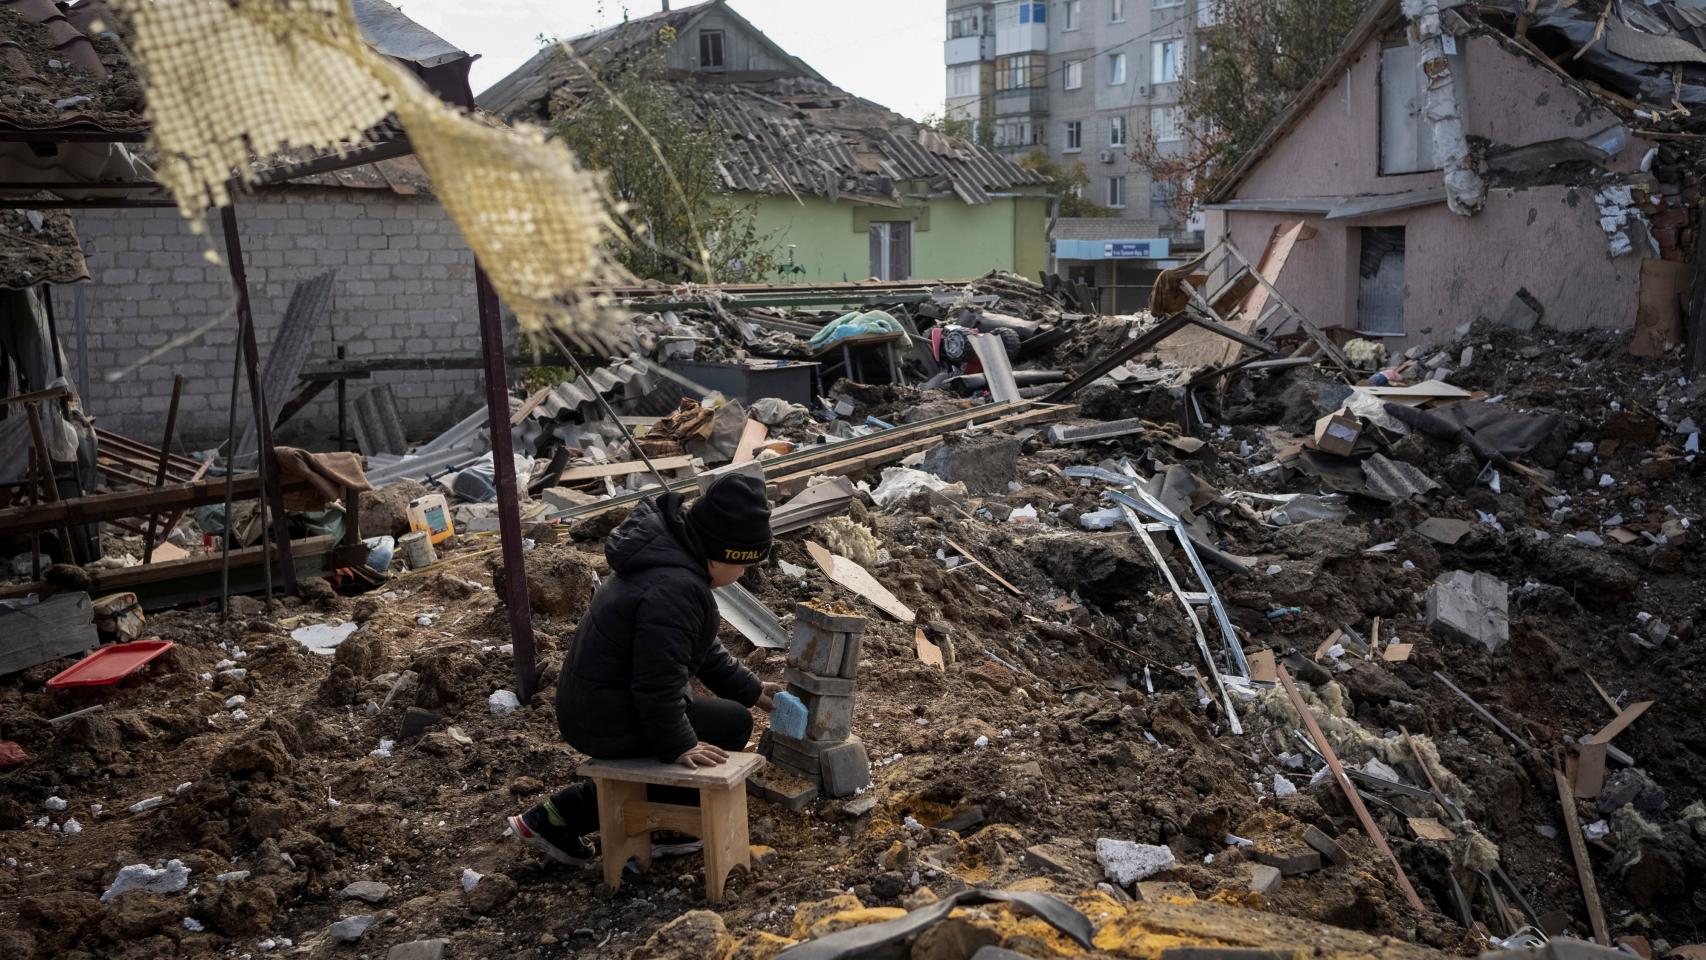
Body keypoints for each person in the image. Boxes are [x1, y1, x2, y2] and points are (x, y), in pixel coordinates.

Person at [509, 471, 783, 865]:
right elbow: (657, 683)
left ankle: (555, 815)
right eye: (745, 566)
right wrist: (679, 744)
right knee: (727, 727)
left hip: (597, 702)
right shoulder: (675, 588)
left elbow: (701, 651)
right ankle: (655, 825)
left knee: (729, 719)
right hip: (606, 717)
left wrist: (754, 689)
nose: (743, 576)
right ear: (724, 553)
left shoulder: (671, 560)